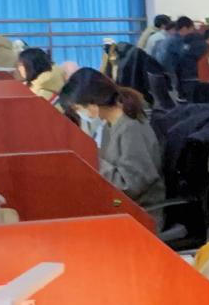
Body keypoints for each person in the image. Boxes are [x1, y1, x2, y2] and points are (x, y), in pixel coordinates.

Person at [60, 68, 166, 218]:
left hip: (139, 212)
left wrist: (91, 160)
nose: (79, 114)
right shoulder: (109, 125)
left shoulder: (131, 129)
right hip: (119, 204)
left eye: (78, 109)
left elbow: (130, 185)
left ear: (93, 104)